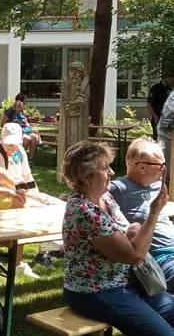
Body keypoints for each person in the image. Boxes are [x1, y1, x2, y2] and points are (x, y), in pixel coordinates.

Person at [62, 140, 174, 336]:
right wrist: (154, 212)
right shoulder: (85, 211)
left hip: (127, 282)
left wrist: (135, 230)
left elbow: (131, 231)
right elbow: (134, 256)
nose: (112, 173)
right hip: (97, 292)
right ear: (86, 176)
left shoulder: (105, 198)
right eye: (105, 168)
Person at [0, 123, 59, 271]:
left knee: (56, 204)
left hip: (23, 191)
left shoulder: (20, 150)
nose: (12, 147)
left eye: (15, 143)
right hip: (9, 194)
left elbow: (27, 175)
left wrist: (36, 193)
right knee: (37, 210)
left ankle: (44, 251)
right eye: (9, 143)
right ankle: (41, 247)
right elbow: (2, 181)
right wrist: (29, 196)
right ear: (1, 139)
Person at [109, 138, 174, 292]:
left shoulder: (157, 185)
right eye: (161, 165)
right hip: (158, 258)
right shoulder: (117, 189)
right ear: (143, 167)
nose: (164, 169)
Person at [1, 93, 40, 158]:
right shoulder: (10, 111)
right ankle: (18, 157)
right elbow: (2, 124)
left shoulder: (21, 110)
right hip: (14, 132)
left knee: (35, 137)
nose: (26, 102)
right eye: (25, 101)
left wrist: (29, 122)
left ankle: (29, 159)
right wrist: (14, 125)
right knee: (26, 139)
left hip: (24, 130)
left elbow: (24, 120)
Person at [147, 73, 174, 140]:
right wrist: (155, 117)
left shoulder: (170, 89)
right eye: (172, 79)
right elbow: (149, 104)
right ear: (167, 78)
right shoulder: (155, 88)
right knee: (157, 138)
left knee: (167, 140)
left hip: (167, 120)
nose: (173, 82)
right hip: (157, 117)